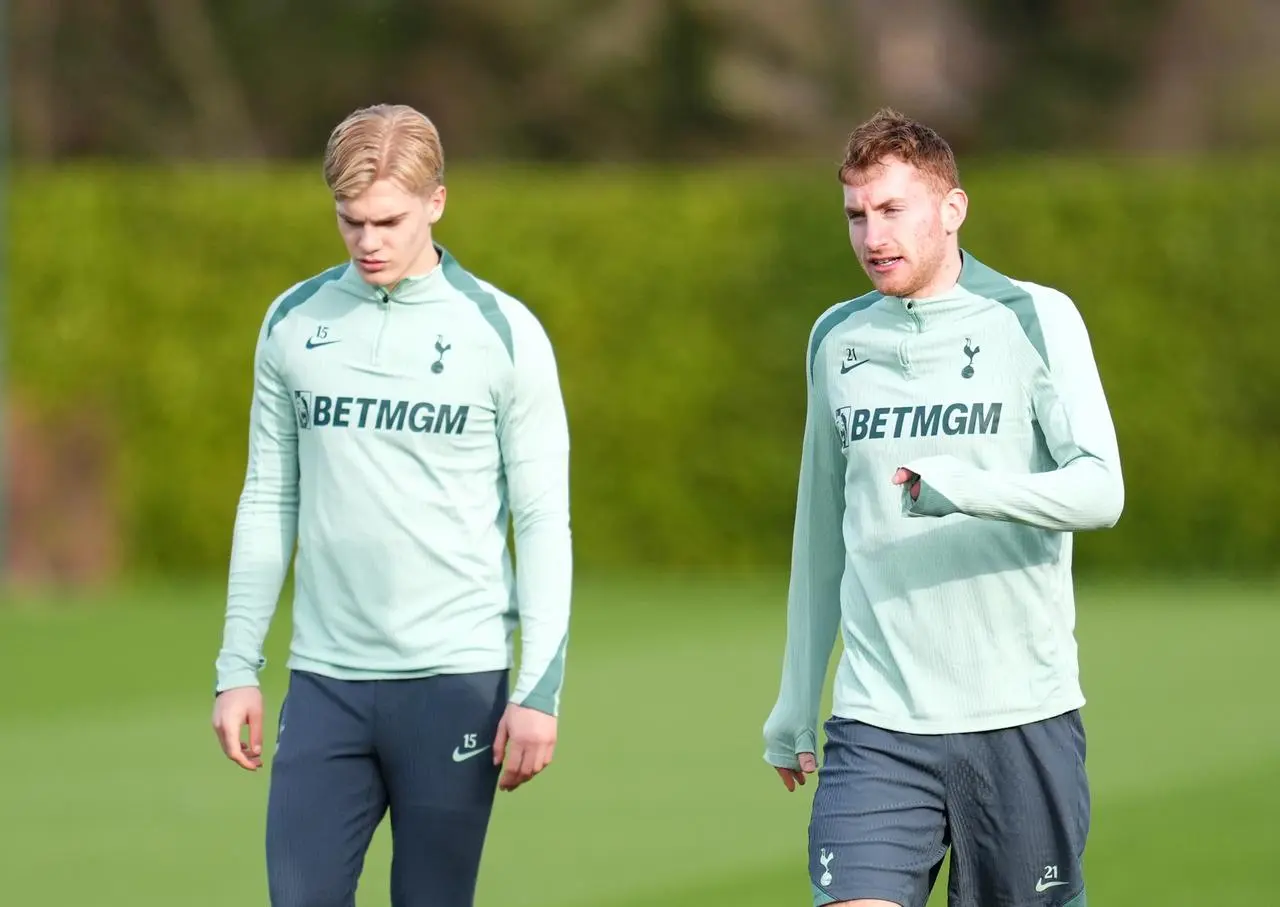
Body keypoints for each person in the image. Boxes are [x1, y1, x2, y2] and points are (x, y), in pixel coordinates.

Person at [210, 103, 573, 907]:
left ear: (436, 202)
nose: (368, 241)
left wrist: (538, 689)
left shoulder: (505, 334)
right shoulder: (293, 324)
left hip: (455, 683)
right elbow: (269, 496)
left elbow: (544, 519)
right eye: (350, 221)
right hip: (325, 685)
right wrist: (237, 665)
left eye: (388, 220)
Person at [762, 107, 1123, 907]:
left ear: (951, 209)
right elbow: (822, 532)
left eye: (892, 209)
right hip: (878, 719)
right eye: (856, 214)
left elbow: (1102, 489)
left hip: (1021, 716)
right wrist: (796, 695)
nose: (871, 235)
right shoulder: (836, 339)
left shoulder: (1034, 317)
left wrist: (967, 488)